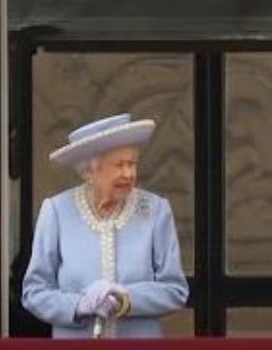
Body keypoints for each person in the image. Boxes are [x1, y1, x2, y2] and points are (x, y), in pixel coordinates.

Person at [22, 113, 189, 338]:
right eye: (119, 165)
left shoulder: (155, 210)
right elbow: (34, 292)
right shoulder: (57, 211)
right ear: (90, 170)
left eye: (132, 164)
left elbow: (175, 290)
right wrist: (79, 306)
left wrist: (125, 298)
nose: (129, 173)